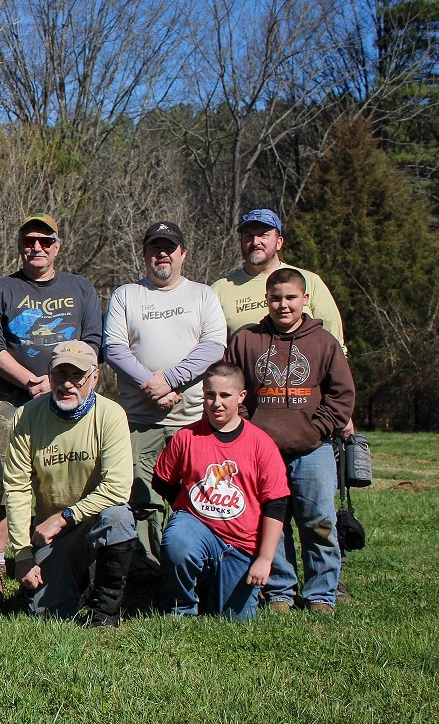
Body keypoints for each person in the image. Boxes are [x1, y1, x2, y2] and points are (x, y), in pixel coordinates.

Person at [0, 214, 103, 602]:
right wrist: (32, 382)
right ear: (19, 245)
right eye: (29, 241)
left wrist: (58, 384)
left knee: (77, 478)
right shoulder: (2, 289)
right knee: (3, 485)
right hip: (12, 401)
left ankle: (74, 562)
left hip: (72, 402)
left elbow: (94, 342)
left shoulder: (81, 288)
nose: (37, 247)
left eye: (45, 241)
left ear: (58, 247)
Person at [225, 268, 355, 613]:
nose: (283, 305)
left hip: (313, 449)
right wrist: (249, 431)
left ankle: (321, 593)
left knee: (319, 520)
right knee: (273, 522)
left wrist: (318, 428)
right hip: (263, 452)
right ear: (266, 300)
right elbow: (234, 391)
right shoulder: (246, 340)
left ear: (305, 300)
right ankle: (280, 590)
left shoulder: (323, 343)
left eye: (291, 298)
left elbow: (341, 394)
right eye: (276, 298)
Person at [103, 221, 226, 583]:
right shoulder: (127, 295)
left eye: (170, 247)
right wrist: (151, 384)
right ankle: (148, 576)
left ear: (183, 254)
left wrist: (170, 380)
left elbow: (214, 346)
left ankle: (196, 574)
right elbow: (114, 348)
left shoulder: (203, 295)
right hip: (140, 421)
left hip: (193, 422)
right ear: (144, 256)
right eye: (155, 248)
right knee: (143, 500)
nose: (163, 254)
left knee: (197, 499)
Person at [1, 342, 137, 626]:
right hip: (52, 537)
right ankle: (80, 581)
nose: (66, 384)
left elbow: (117, 488)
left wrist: (64, 517)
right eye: (59, 375)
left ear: (94, 377)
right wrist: (23, 554)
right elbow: (16, 488)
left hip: (92, 523)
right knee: (47, 614)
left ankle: (105, 614)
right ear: (48, 375)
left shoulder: (111, 415)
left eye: (76, 376)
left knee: (119, 518)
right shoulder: (26, 417)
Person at [153, 362, 289, 620]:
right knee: (179, 539)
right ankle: (180, 608)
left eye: (225, 395)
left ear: (241, 397)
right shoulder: (186, 437)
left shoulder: (261, 444)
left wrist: (264, 559)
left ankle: (209, 584)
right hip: (198, 528)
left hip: (240, 544)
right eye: (210, 395)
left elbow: (277, 504)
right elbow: (162, 481)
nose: (217, 403)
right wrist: (187, 508)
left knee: (234, 620)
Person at [211, 208, 345, 347]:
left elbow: (335, 342)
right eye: (249, 236)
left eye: (264, 235)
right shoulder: (219, 290)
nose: (256, 242)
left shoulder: (308, 281)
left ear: (279, 242)